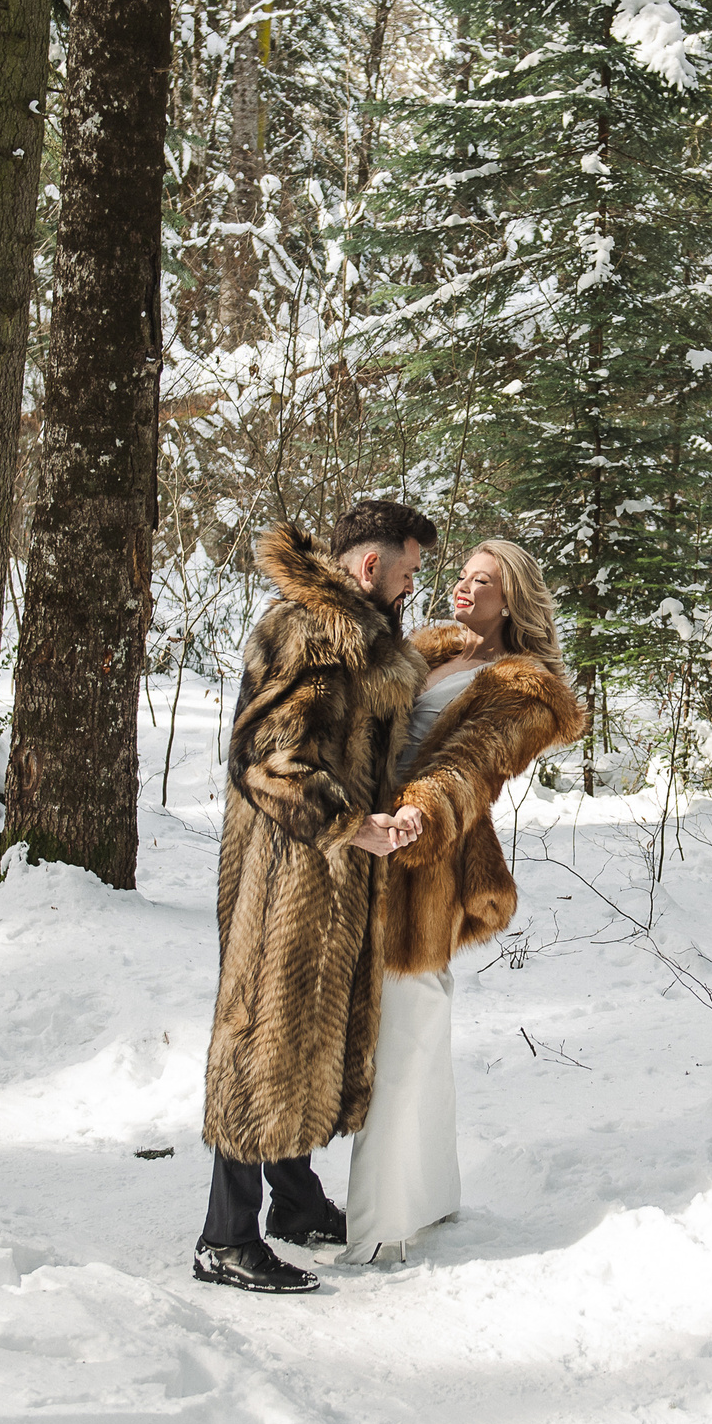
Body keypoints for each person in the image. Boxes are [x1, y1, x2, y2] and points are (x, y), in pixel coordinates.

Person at [194, 499, 438, 1295]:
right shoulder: (306, 629)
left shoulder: (362, 637)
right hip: (286, 873)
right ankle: (224, 1237)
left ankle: (293, 1201)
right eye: (406, 572)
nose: (411, 589)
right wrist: (347, 823)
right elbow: (263, 760)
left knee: (303, 1032)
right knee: (262, 1033)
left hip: (331, 872)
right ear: (370, 567)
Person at [346, 540, 583, 1260]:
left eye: (482, 582)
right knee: (417, 1027)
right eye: (460, 576)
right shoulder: (426, 647)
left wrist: (420, 810)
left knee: (407, 1028)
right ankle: (432, 1194)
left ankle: (380, 1227)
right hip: (360, 843)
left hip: (426, 859)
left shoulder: (525, 686)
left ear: (510, 597)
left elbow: (472, 763)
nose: (462, 589)